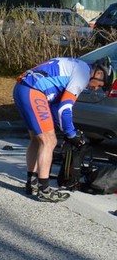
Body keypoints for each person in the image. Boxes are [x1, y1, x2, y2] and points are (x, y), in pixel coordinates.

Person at [13, 56, 109, 203]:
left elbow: (55, 107)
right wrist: (71, 134)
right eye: (100, 85)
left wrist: (67, 130)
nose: (95, 88)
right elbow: (65, 108)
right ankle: (44, 190)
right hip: (34, 91)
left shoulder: (78, 65)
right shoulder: (83, 75)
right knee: (49, 141)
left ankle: (31, 183)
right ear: (99, 73)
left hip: (22, 87)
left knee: (37, 139)